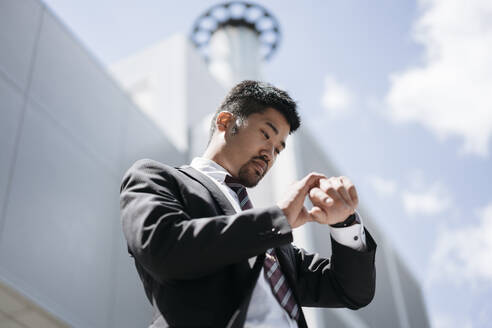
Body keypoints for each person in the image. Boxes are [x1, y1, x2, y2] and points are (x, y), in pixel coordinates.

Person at [119, 80, 377, 328]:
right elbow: (163, 249)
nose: (270, 154)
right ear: (225, 122)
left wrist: (344, 223)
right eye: (266, 134)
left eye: (278, 149)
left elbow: (351, 292)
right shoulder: (156, 177)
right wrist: (277, 218)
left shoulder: (275, 239)